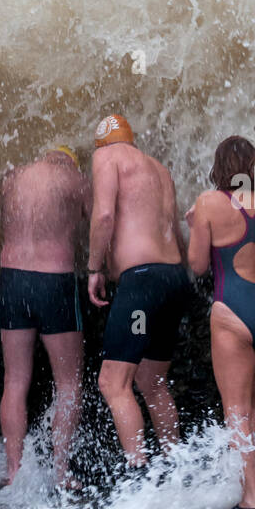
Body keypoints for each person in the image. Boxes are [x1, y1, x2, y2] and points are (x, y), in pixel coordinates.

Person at [186, 135, 255, 509]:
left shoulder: (209, 203)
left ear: (219, 167)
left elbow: (196, 266)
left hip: (234, 309)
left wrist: (195, 226)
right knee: (253, 404)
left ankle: (250, 501)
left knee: (235, 410)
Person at [88, 114, 192, 475]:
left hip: (142, 284)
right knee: (153, 382)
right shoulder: (160, 169)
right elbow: (173, 230)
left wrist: (94, 268)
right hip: (173, 279)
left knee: (112, 382)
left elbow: (103, 216)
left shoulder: (107, 158)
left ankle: (138, 475)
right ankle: (175, 471)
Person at [0, 145, 90, 491]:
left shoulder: (13, 177)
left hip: (12, 279)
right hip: (54, 280)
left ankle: (13, 473)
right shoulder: (76, 179)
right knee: (67, 382)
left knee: (15, 381)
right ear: (70, 160)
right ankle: (61, 471)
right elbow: (98, 225)